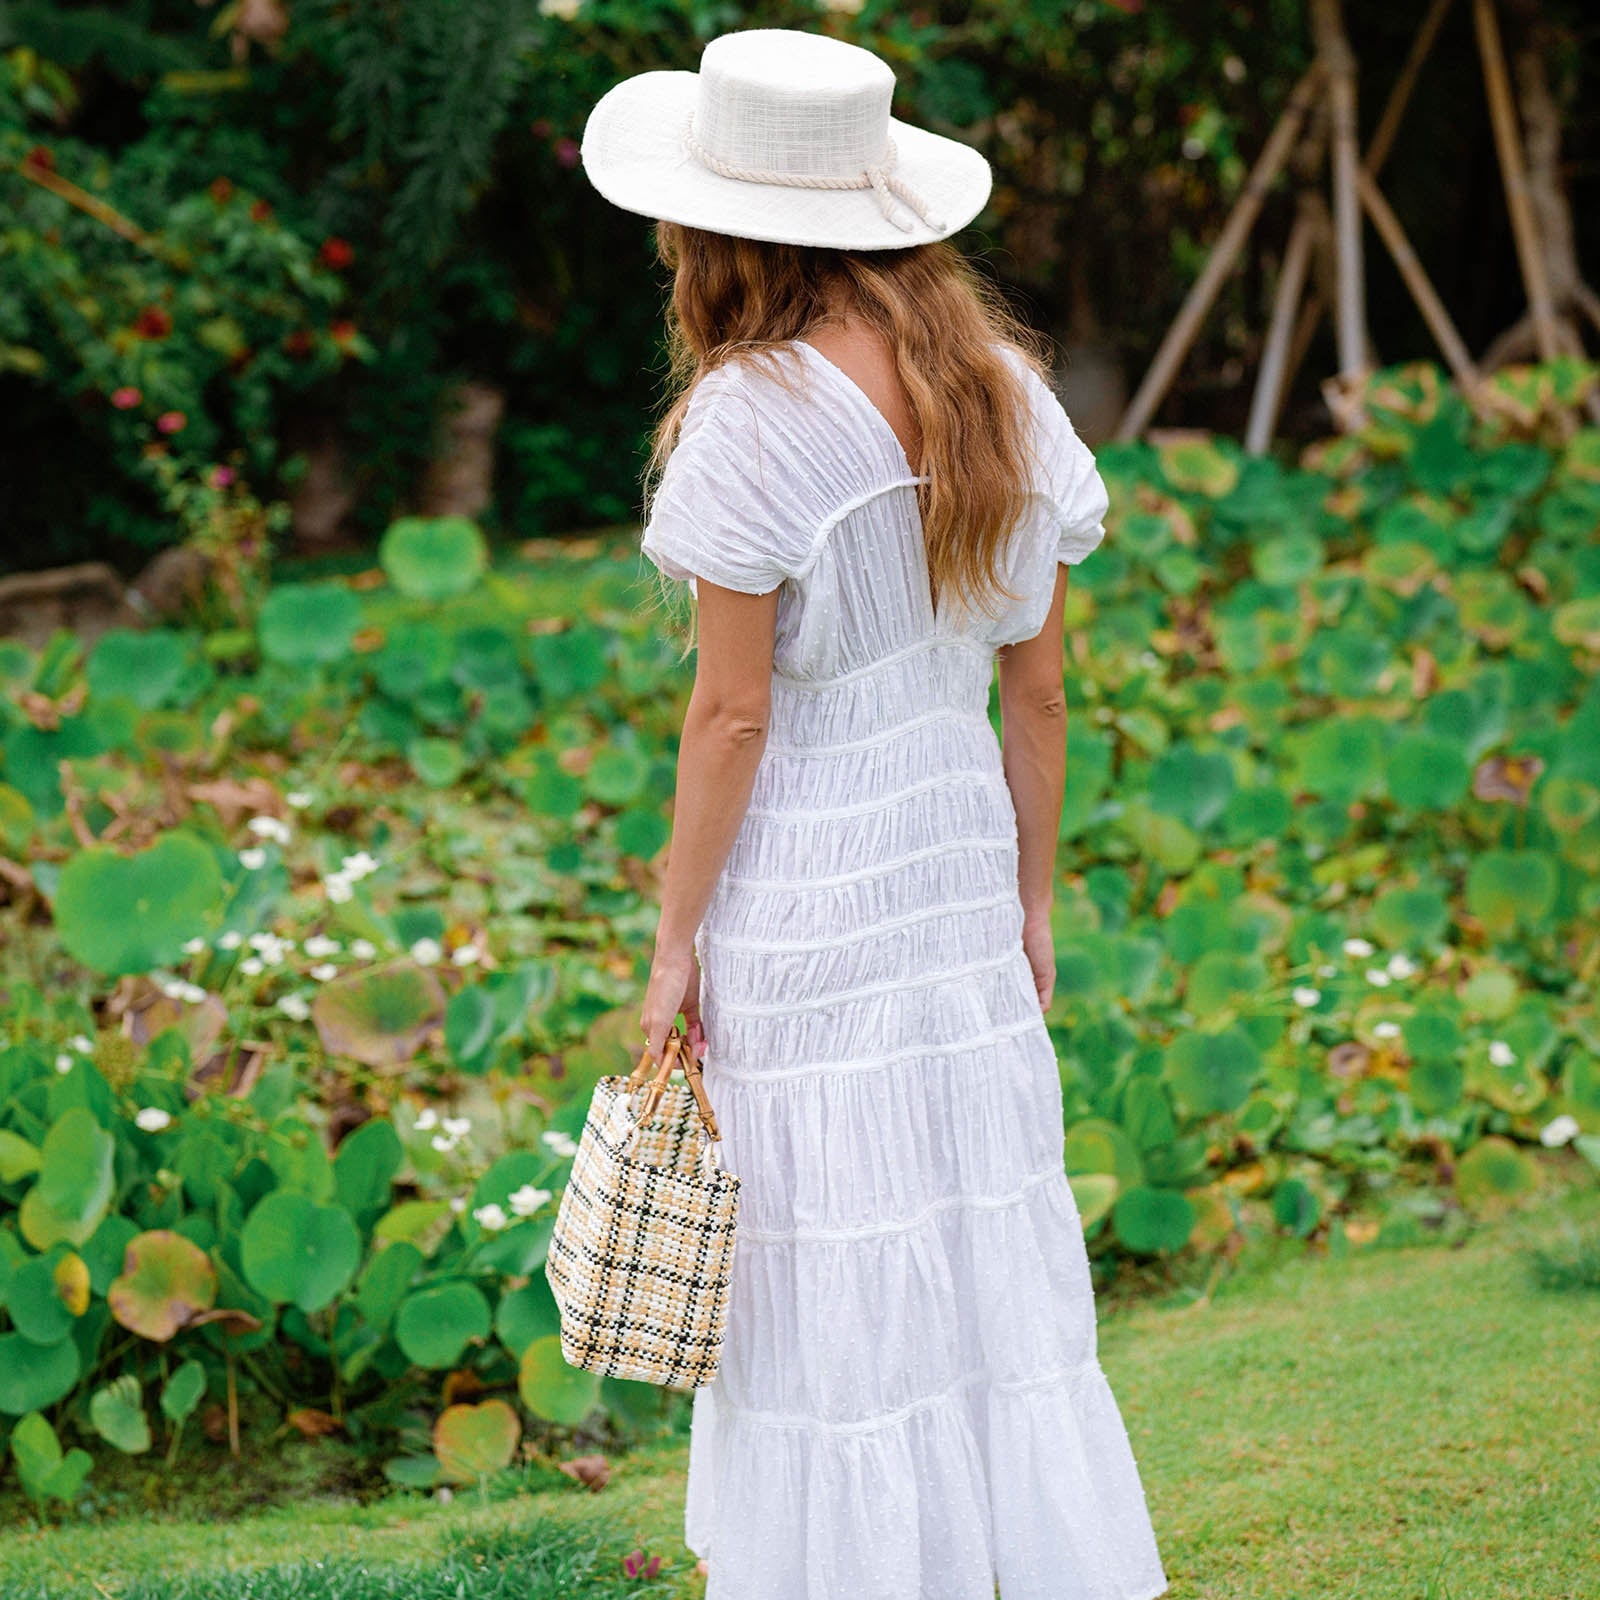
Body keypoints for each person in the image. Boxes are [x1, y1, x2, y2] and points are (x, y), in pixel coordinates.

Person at [581, 26, 1170, 1600]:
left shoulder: (746, 420)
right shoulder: (1005, 394)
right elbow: (1035, 699)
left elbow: (732, 713)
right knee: (971, 1233)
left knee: (827, 1249)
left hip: (806, 884)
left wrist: (671, 943)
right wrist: (1034, 899)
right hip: (956, 868)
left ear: (722, 226)